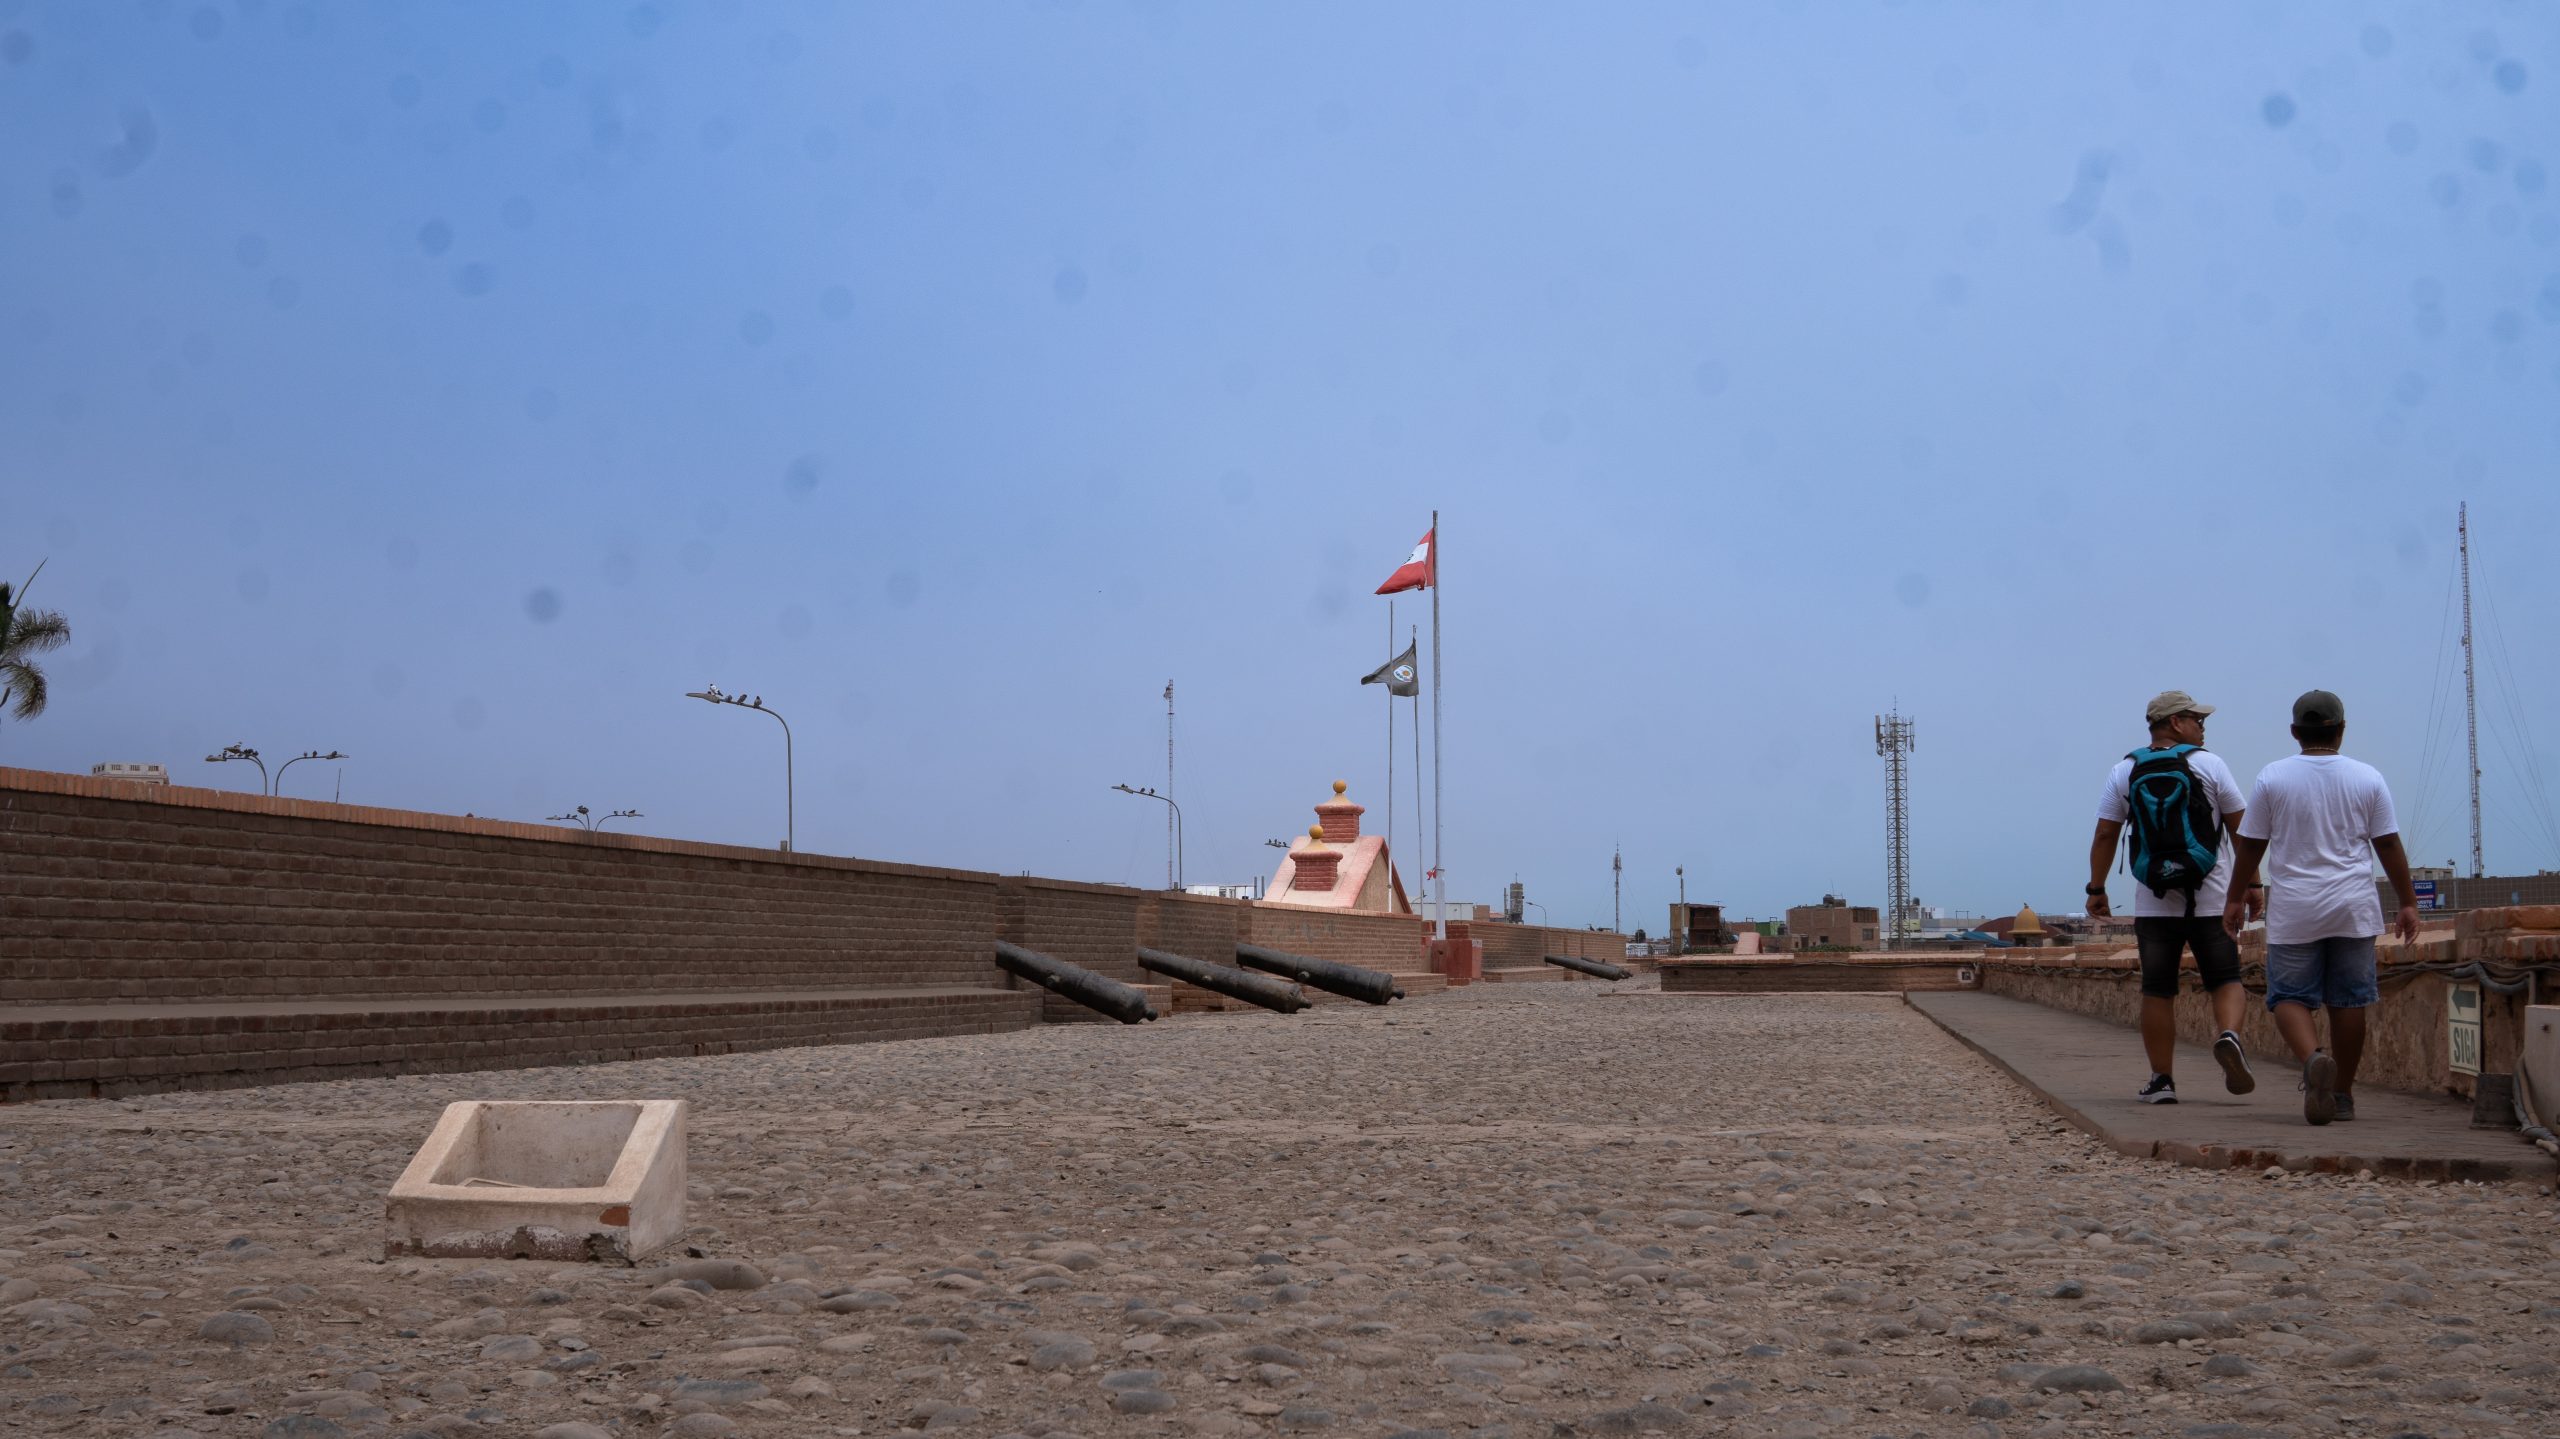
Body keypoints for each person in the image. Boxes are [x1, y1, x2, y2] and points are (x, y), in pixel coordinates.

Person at [2222, 690, 2422, 1125]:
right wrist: (2408, 902)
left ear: (2294, 732)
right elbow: (2386, 842)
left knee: (2289, 997)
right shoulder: (2367, 778)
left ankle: (2313, 1059)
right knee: (2349, 1001)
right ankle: (2344, 1095)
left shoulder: (2273, 778)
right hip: (2353, 907)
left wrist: (2235, 897)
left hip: (2296, 909)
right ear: (2341, 730)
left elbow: (2252, 845)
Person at [2088, 690, 2259, 1104]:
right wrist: (2251, 884)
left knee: (2158, 990)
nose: (2202, 727)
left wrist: (2097, 888)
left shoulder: (2123, 771)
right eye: (2197, 719)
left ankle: (2162, 1081)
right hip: (2214, 896)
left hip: (2154, 900)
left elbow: (2106, 833)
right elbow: (2241, 829)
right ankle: (2230, 1036)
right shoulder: (2211, 765)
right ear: (2176, 722)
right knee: (2226, 979)